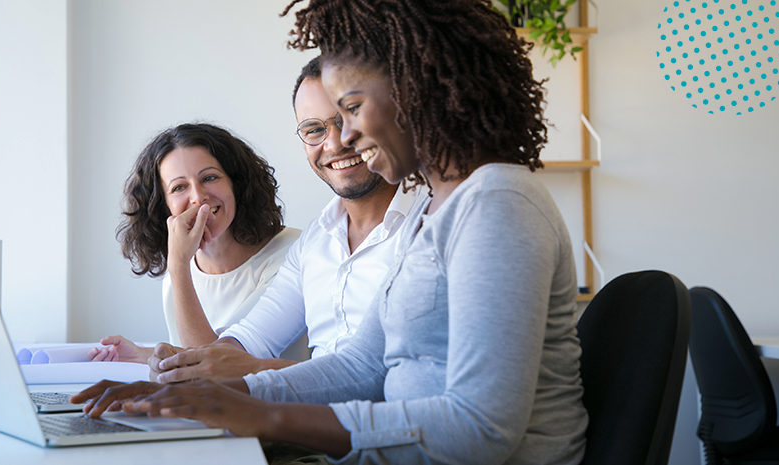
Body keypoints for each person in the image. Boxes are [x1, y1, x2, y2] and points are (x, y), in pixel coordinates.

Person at [73, 1, 589, 463]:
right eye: (327, 121)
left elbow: (481, 430)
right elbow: (362, 366)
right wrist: (232, 397)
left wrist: (263, 416)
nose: (348, 135)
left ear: (415, 89)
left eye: (352, 108)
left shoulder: (497, 203)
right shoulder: (432, 210)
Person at [140, 57, 426, 383]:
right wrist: (183, 362)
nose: (334, 143)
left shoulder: (429, 222)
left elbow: (386, 379)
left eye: (348, 118)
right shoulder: (314, 243)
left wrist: (237, 367)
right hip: (308, 425)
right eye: (315, 129)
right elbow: (246, 344)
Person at [89, 123, 301, 364]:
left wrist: (178, 264)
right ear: (163, 205)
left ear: (237, 184)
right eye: (179, 187)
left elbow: (211, 369)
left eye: (209, 178)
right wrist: (142, 355)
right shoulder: (179, 273)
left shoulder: (293, 253)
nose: (198, 197)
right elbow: (191, 355)